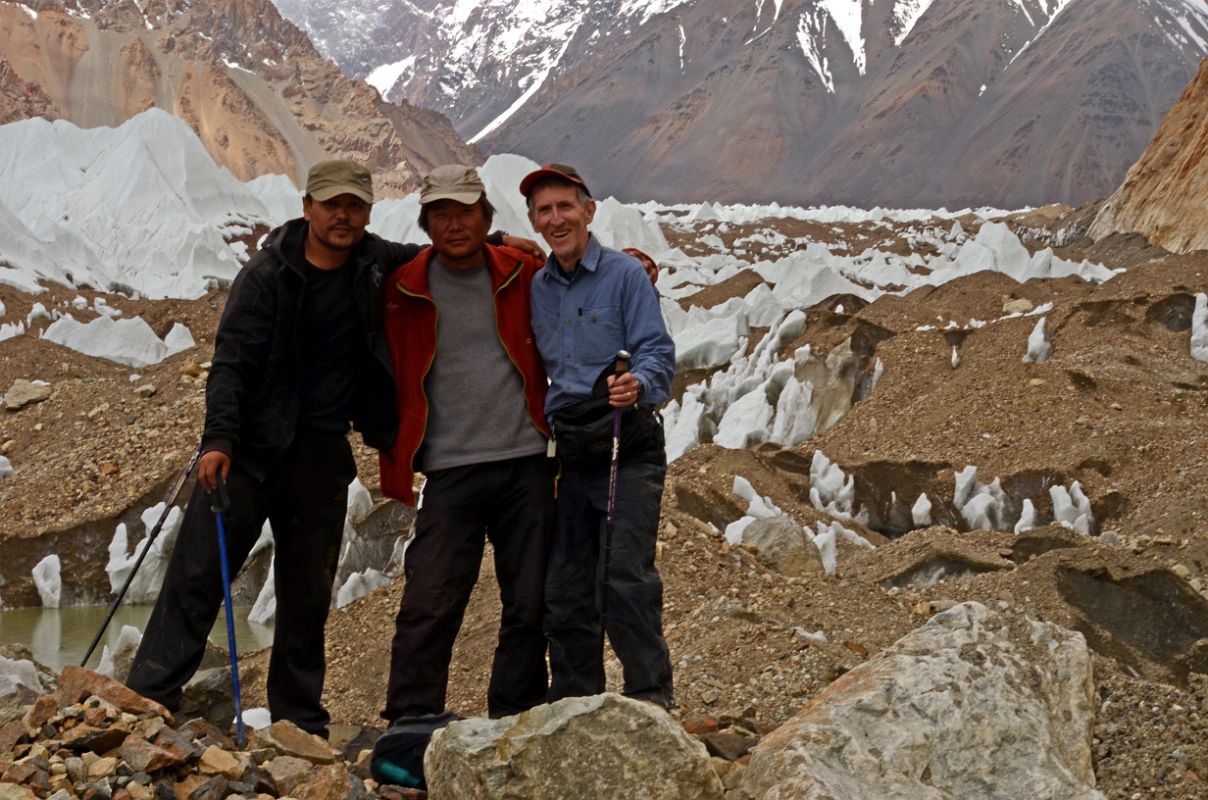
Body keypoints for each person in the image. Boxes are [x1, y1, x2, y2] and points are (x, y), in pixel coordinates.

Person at [125, 159, 537, 736]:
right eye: (332, 204)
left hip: (320, 455)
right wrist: (218, 439)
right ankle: (147, 698)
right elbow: (231, 362)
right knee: (197, 575)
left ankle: (299, 719)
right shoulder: (268, 273)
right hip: (250, 452)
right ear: (308, 208)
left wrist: (494, 239)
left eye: (354, 206)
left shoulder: (373, 260)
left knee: (306, 591)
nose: (343, 216)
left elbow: (443, 248)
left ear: (367, 214)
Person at [376, 164, 552, 725]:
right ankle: (411, 723)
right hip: (449, 470)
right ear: (426, 222)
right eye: (441, 214)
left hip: (525, 462)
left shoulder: (522, 270)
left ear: (486, 216)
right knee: (430, 602)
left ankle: (516, 716)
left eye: (466, 212)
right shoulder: (402, 286)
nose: (455, 224)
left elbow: (581, 286)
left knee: (530, 602)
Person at [520, 163, 677, 709]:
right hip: (571, 453)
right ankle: (576, 706)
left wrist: (640, 385)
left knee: (623, 577)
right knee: (565, 592)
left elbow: (656, 349)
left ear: (589, 210)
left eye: (566, 206)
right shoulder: (536, 287)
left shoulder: (625, 277)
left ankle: (650, 701)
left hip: (624, 444)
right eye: (545, 210)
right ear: (535, 221)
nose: (557, 218)